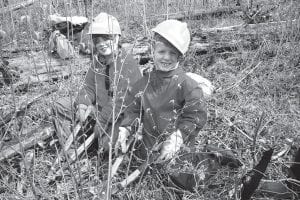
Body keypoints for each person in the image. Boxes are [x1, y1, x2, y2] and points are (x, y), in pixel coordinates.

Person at [114, 19, 209, 194]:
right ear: (153, 51)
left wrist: (178, 138)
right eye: (162, 51)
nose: (166, 57)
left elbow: (195, 116)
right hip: (148, 150)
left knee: (179, 184)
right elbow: (133, 109)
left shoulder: (188, 85)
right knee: (147, 180)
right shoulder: (143, 83)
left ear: (180, 55)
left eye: (172, 53)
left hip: (179, 152)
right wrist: (126, 128)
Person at [52, 12, 142, 153]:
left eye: (107, 38)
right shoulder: (98, 60)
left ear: (117, 37)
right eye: (97, 40)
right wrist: (82, 104)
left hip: (120, 116)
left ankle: (97, 142)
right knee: (60, 106)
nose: (101, 44)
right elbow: (89, 86)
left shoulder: (127, 63)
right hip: (98, 109)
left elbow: (121, 102)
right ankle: (71, 151)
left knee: (110, 146)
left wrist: (103, 120)